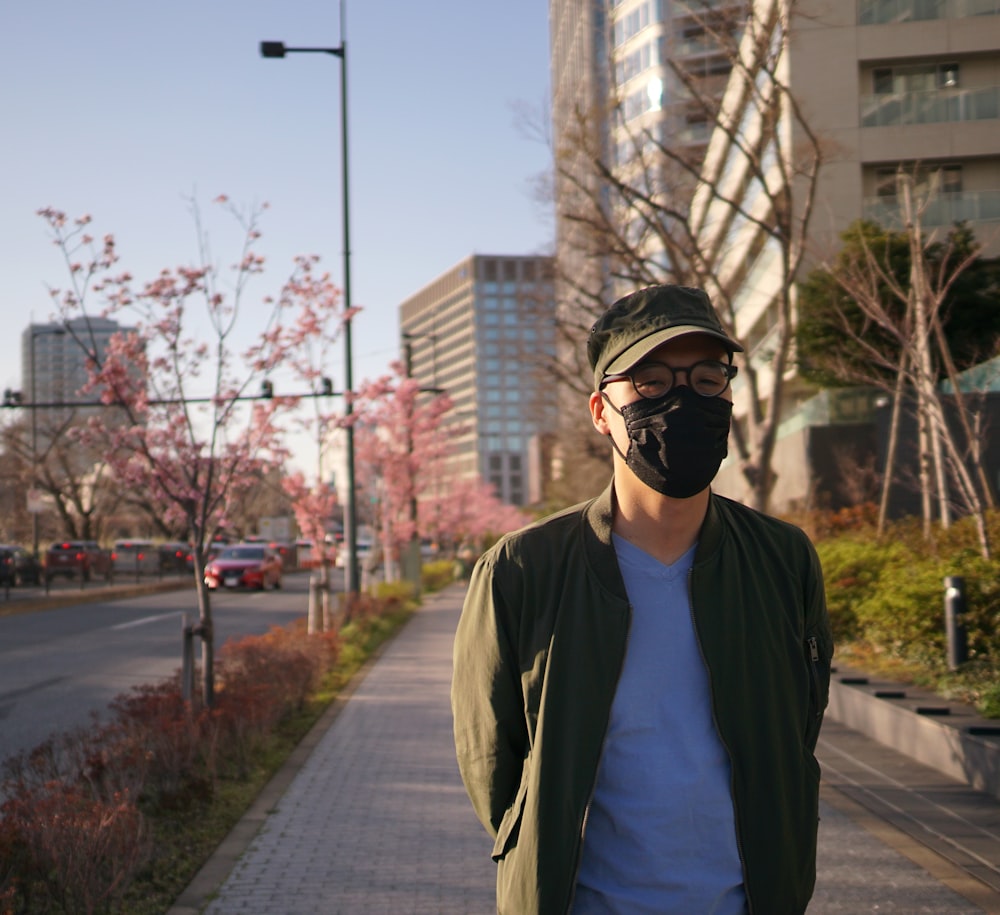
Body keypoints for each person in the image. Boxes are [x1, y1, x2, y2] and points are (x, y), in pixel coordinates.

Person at [451, 284, 833, 915]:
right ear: (602, 410)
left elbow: (797, 731)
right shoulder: (522, 570)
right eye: (651, 382)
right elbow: (492, 760)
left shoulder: (782, 559)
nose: (684, 398)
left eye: (708, 378)